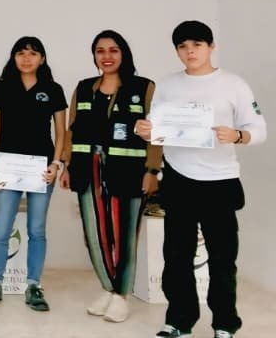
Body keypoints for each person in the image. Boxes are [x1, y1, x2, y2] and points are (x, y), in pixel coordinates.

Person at [136, 21, 266, 338]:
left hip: (220, 181)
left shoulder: (234, 84)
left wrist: (238, 135)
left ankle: (224, 323)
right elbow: (156, 127)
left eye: (196, 44)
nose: (190, 51)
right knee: (176, 257)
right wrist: (146, 130)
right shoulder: (168, 85)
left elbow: (260, 129)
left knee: (223, 258)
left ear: (211, 47)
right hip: (179, 178)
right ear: (177, 51)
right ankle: (179, 321)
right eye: (182, 46)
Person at [59, 29, 158, 324]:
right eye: (100, 51)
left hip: (129, 171)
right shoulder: (84, 87)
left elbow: (156, 132)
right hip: (87, 170)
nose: (107, 57)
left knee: (124, 235)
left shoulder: (144, 87)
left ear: (123, 53)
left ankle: (121, 296)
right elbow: (71, 130)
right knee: (94, 234)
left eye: (113, 50)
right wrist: (66, 165)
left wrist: (153, 170)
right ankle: (108, 288)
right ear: (94, 56)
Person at [0, 36, 67, 312]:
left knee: (37, 229)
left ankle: (33, 285)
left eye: (32, 53)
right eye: (21, 53)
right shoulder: (2, 88)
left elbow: (62, 132)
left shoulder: (52, 89)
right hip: (8, 166)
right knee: (2, 228)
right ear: (13, 57)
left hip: (40, 168)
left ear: (42, 58)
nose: (26, 58)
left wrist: (56, 164)